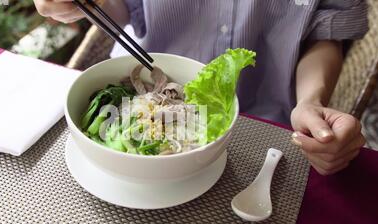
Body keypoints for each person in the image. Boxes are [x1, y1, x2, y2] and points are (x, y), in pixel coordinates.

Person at [34, 0, 368, 175]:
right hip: (141, 82)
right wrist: (78, 4)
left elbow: (325, 32)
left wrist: (311, 100)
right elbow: (121, 5)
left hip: (266, 120)